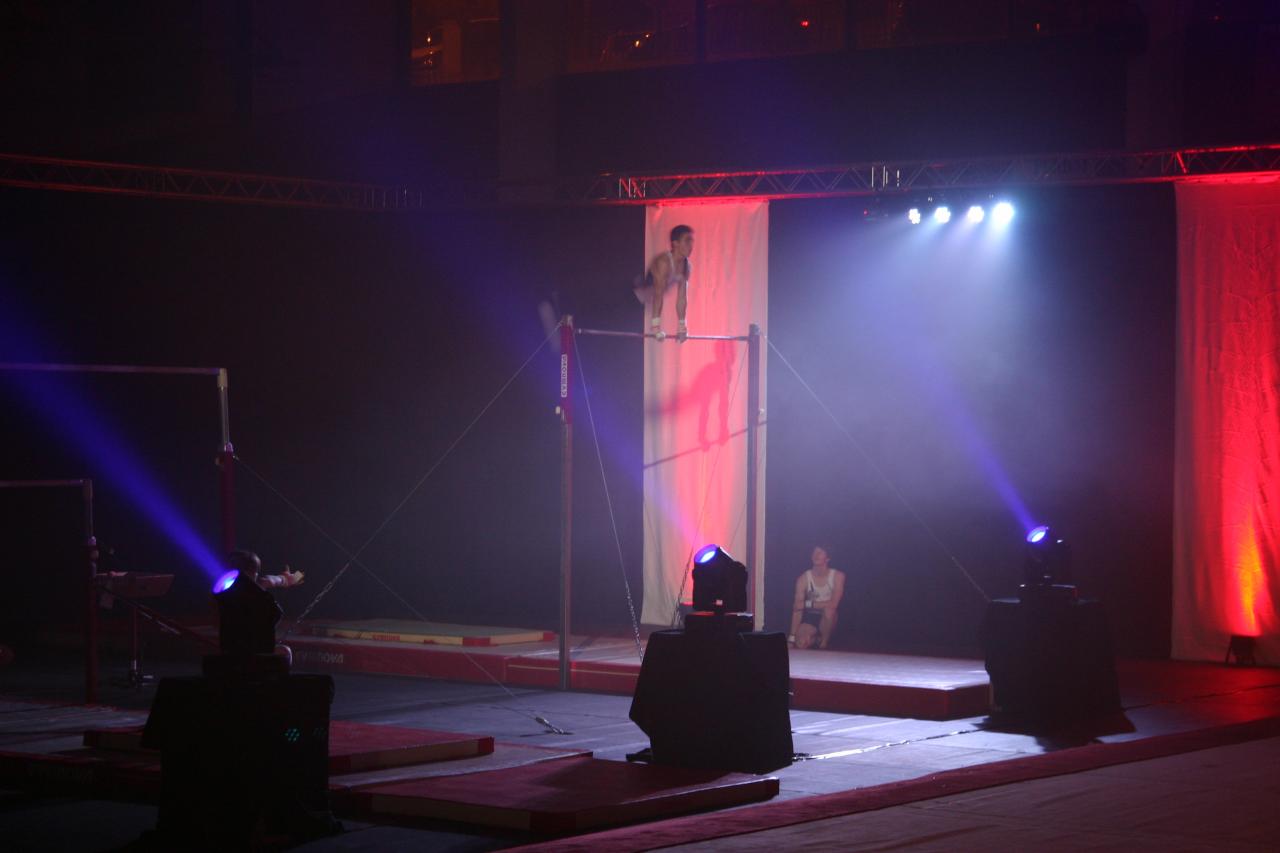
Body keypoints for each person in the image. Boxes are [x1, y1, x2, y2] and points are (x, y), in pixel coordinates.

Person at [788, 545, 844, 650]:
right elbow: (797, 608)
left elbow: (833, 604)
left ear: (828, 558)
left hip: (830, 617)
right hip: (811, 617)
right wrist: (792, 637)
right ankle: (815, 639)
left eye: (820, 553)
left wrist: (807, 604)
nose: (816, 555)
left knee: (829, 611)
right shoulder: (804, 578)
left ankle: (824, 643)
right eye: (814, 552)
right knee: (801, 643)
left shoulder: (837, 576)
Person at [645, 224, 693, 341]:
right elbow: (658, 294)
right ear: (675, 243)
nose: (691, 246)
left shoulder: (687, 266)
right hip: (638, 297)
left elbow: (682, 298)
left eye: (691, 242)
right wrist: (656, 327)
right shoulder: (663, 262)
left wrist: (682, 327)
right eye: (687, 241)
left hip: (650, 301)